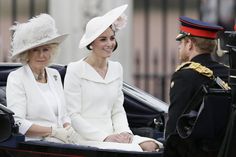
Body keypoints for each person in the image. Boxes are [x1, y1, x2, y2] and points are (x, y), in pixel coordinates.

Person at [64, 4, 162, 152]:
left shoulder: (116, 68)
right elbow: (73, 116)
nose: (109, 44)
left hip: (113, 134)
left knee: (151, 145)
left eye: (112, 38)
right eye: (103, 39)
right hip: (85, 136)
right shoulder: (75, 69)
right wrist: (105, 137)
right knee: (133, 150)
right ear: (91, 43)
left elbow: (117, 109)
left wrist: (125, 132)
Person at [6, 14, 78, 144]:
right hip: (35, 145)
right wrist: (53, 131)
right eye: (35, 50)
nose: (41, 55)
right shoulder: (17, 78)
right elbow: (18, 122)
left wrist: (68, 127)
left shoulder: (54, 74)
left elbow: (63, 115)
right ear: (26, 53)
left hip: (62, 142)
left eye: (46, 49)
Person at [164, 16, 229, 157]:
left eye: (181, 42)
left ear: (189, 44)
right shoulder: (226, 73)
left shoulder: (184, 75)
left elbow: (174, 128)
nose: (179, 46)